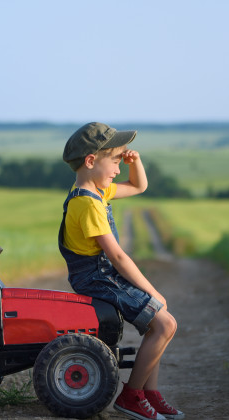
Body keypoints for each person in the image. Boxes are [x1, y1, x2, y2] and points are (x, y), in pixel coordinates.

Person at [58, 122, 184, 420]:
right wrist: (152, 291)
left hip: (102, 274)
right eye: (115, 161)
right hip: (97, 277)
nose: (118, 169)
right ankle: (132, 397)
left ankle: (149, 394)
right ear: (91, 161)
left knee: (159, 321)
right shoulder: (87, 203)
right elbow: (116, 256)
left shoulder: (97, 191)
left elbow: (138, 186)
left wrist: (134, 161)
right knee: (165, 324)